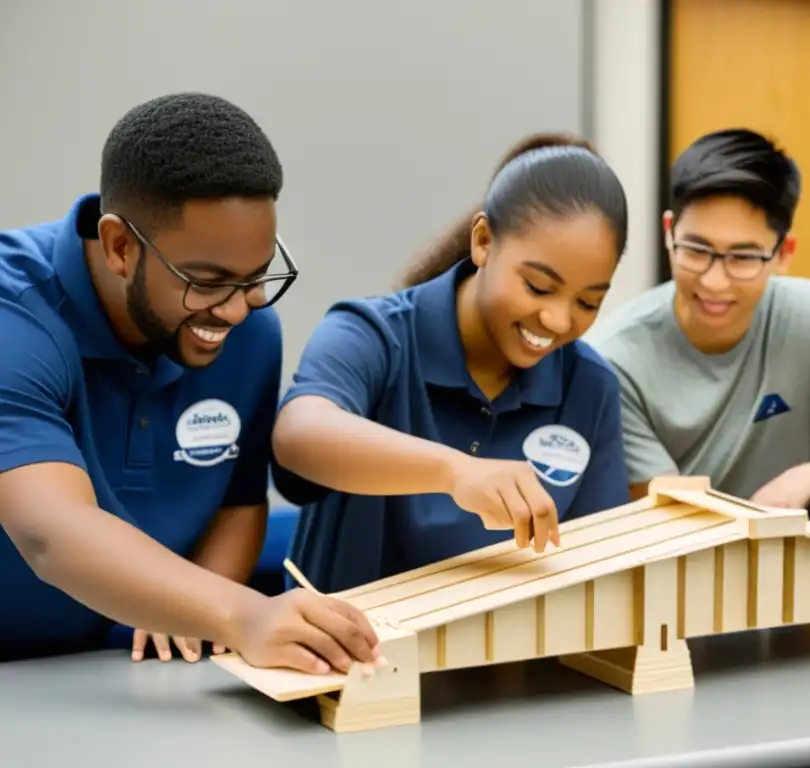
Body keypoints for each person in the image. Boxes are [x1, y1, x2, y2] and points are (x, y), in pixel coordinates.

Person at [0, 92, 382, 674]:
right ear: (120, 246)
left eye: (256, 277)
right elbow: (50, 532)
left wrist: (191, 607)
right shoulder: (15, 318)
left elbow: (238, 500)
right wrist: (242, 615)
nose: (234, 310)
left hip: (141, 680)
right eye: (207, 282)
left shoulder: (249, 332)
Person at [271, 133, 631, 593]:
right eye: (539, 287)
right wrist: (455, 471)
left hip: (514, 661)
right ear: (483, 241)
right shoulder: (371, 335)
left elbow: (602, 558)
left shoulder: (590, 384)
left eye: (587, 301)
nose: (558, 319)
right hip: (348, 657)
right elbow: (298, 434)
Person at [584, 128, 810, 525]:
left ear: (783, 253)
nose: (714, 281)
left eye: (742, 257)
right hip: (675, 556)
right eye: (697, 249)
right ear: (668, 233)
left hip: (780, 542)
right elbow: (675, 519)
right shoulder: (613, 358)